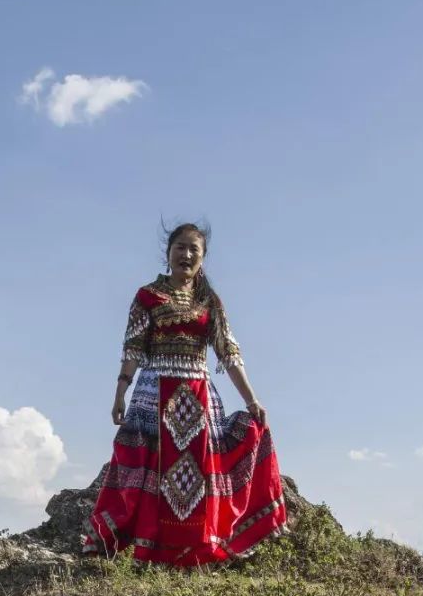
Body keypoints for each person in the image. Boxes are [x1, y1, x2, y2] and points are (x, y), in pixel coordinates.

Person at [82, 222, 286, 566]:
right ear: (168, 253)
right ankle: (143, 546)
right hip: (153, 393)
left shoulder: (210, 301)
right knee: (144, 466)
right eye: (180, 247)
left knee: (200, 471)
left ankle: (193, 548)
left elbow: (228, 352)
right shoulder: (147, 296)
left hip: (198, 397)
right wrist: (120, 391)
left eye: (194, 249)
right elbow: (133, 347)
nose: (186, 254)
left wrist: (252, 400)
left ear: (202, 259)